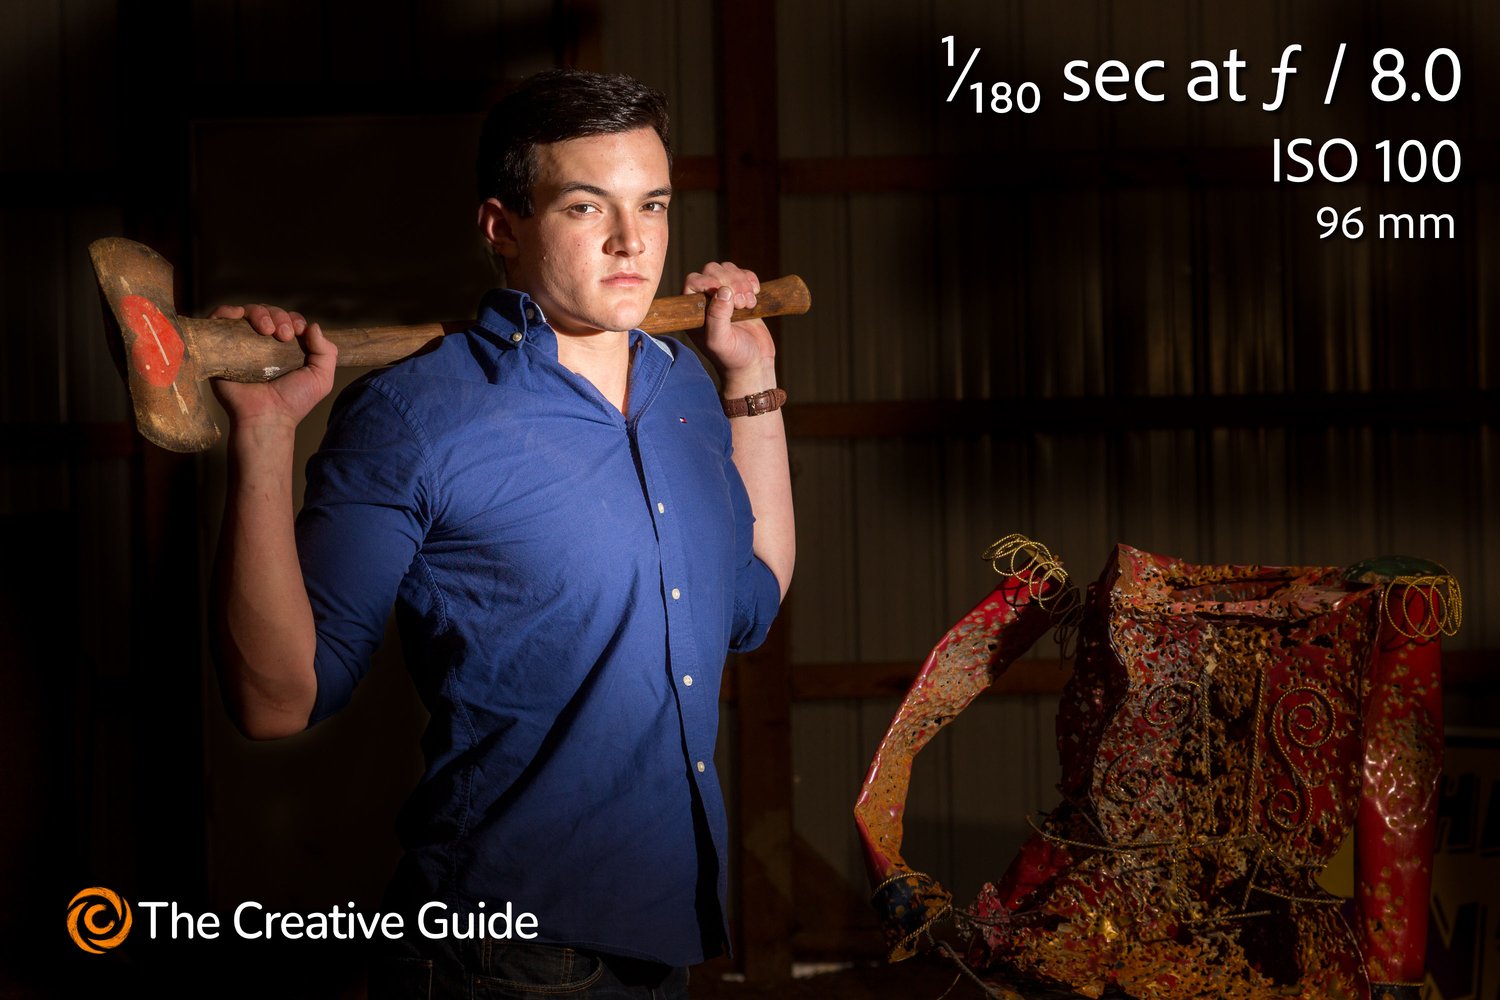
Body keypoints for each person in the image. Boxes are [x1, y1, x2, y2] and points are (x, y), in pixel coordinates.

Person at [208, 69, 794, 999]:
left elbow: (750, 604)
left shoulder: (684, 385)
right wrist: (266, 438)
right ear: (502, 227)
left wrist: (752, 385)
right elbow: (275, 701)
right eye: (585, 206)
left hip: (659, 948)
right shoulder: (414, 414)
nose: (633, 240)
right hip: (494, 958)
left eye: (652, 204)